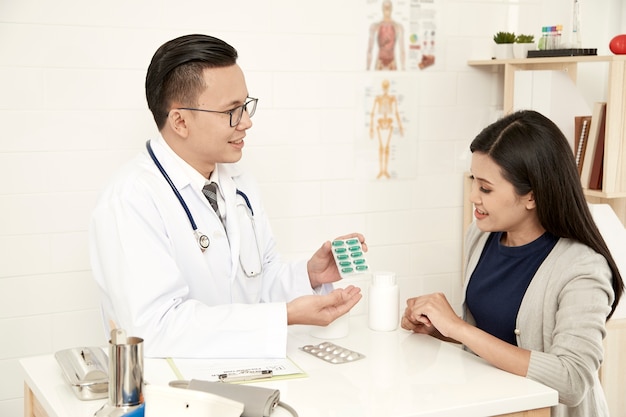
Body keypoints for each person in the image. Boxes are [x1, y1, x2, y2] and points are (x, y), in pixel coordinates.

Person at [89, 34, 364, 359]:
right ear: (179, 120)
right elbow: (153, 331)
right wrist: (285, 316)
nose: (246, 122)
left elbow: (257, 284)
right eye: (232, 111)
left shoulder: (239, 183)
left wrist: (309, 275)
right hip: (175, 391)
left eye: (246, 106)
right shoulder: (131, 200)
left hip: (245, 374)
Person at [401, 110, 623, 417]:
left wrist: (459, 329)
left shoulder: (583, 270)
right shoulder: (480, 238)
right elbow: (492, 339)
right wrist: (441, 329)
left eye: (486, 188)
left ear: (531, 196)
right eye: (473, 182)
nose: (473, 197)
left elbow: (572, 381)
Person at [369, 78, 403, 179]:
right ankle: (381, 170)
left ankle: (385, 170)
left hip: (389, 123)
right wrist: (371, 128)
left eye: (386, 87)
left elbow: (396, 112)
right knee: (380, 148)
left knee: (387, 148)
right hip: (380, 123)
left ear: (388, 88)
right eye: (384, 87)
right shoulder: (378, 98)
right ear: (382, 88)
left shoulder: (392, 98)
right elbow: (372, 113)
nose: (385, 89)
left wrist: (400, 126)